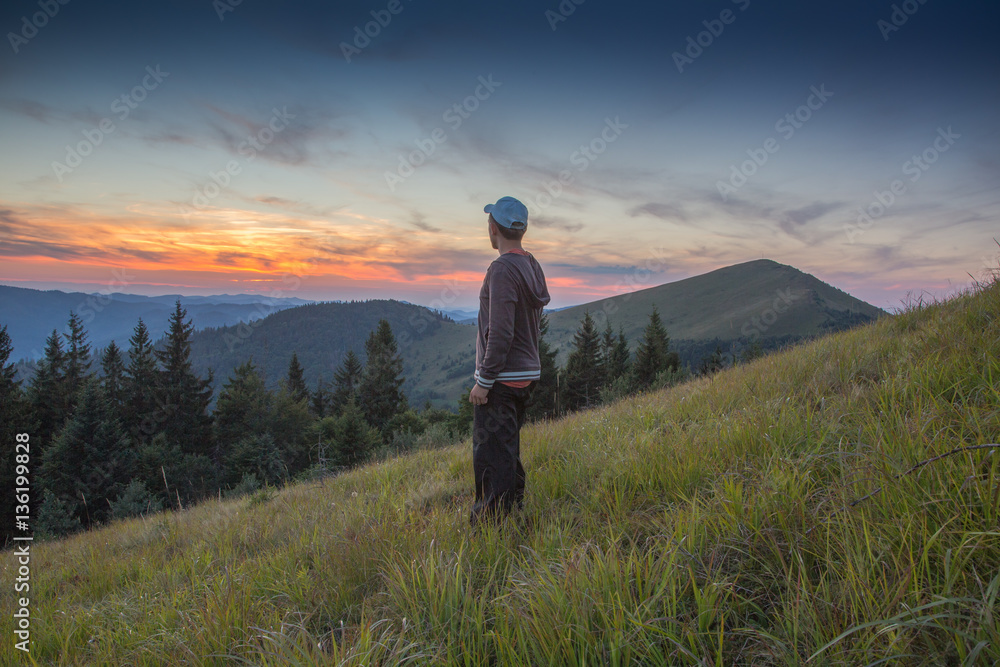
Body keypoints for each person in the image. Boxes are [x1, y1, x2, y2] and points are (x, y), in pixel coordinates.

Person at [469, 195, 550, 528]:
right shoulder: (530, 263)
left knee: (490, 454)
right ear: (523, 228)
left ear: (493, 228)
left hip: (501, 380)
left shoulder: (501, 269)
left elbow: (499, 332)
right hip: (526, 374)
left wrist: (483, 382)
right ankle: (515, 511)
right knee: (507, 447)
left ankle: (491, 528)